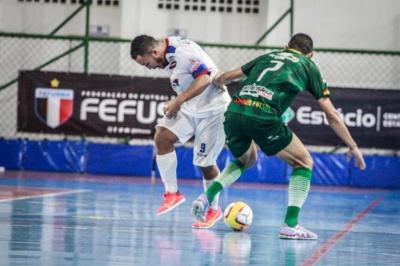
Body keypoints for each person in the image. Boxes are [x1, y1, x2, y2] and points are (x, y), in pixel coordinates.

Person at [191, 33, 366, 239]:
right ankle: (290, 225)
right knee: (304, 162)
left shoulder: (268, 56)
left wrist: (218, 83)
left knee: (246, 159)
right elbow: (331, 114)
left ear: (286, 47)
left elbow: (226, 77)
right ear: (311, 54)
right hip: (263, 115)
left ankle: (206, 198)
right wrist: (352, 145)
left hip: (234, 111)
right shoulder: (308, 65)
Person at [130, 35, 231, 228]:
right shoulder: (165, 49)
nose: (148, 68)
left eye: (147, 63)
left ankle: (213, 209)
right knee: (162, 137)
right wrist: (181, 101)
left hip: (214, 110)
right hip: (190, 107)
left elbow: (204, 79)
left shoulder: (183, 53)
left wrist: (178, 100)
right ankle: (172, 193)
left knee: (205, 164)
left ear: (154, 52)